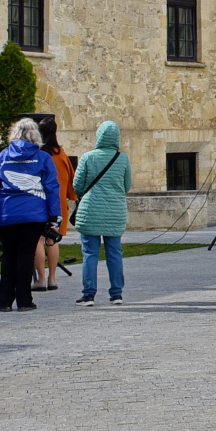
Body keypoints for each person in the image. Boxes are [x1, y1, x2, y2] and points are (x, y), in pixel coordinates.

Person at [0, 119, 61, 311]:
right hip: (34, 214)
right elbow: (52, 188)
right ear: (35, 135)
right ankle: (24, 300)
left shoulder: (2, 157)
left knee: (9, 255)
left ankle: (4, 301)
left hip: (7, 213)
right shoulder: (43, 158)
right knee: (26, 255)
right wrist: (54, 216)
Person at [72, 121, 131, 304]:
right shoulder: (122, 159)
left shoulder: (88, 157)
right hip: (115, 210)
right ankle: (116, 293)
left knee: (90, 253)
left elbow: (77, 185)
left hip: (91, 210)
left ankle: (88, 294)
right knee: (115, 253)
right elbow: (127, 185)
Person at [38, 123, 73, 292]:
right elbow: (70, 178)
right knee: (52, 240)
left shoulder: (38, 155)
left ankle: (40, 279)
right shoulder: (61, 155)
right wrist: (70, 195)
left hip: (39, 204)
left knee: (38, 240)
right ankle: (52, 279)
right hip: (58, 205)